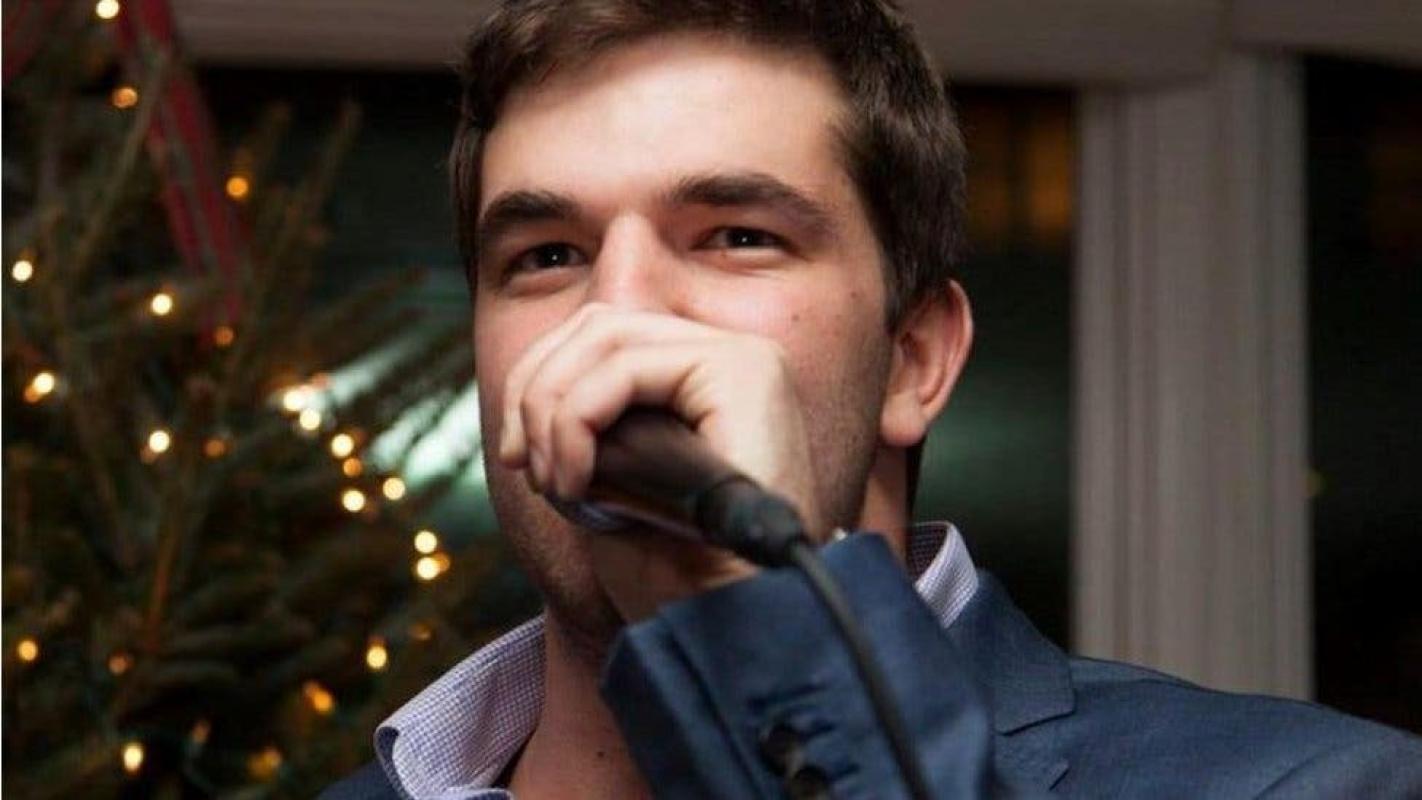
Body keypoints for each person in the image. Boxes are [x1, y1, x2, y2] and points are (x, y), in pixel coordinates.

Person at [323, 1, 1422, 797]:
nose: (619, 314)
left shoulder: (1313, 784)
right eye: (546, 255)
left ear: (913, 359)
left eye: (738, 237)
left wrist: (759, 633)